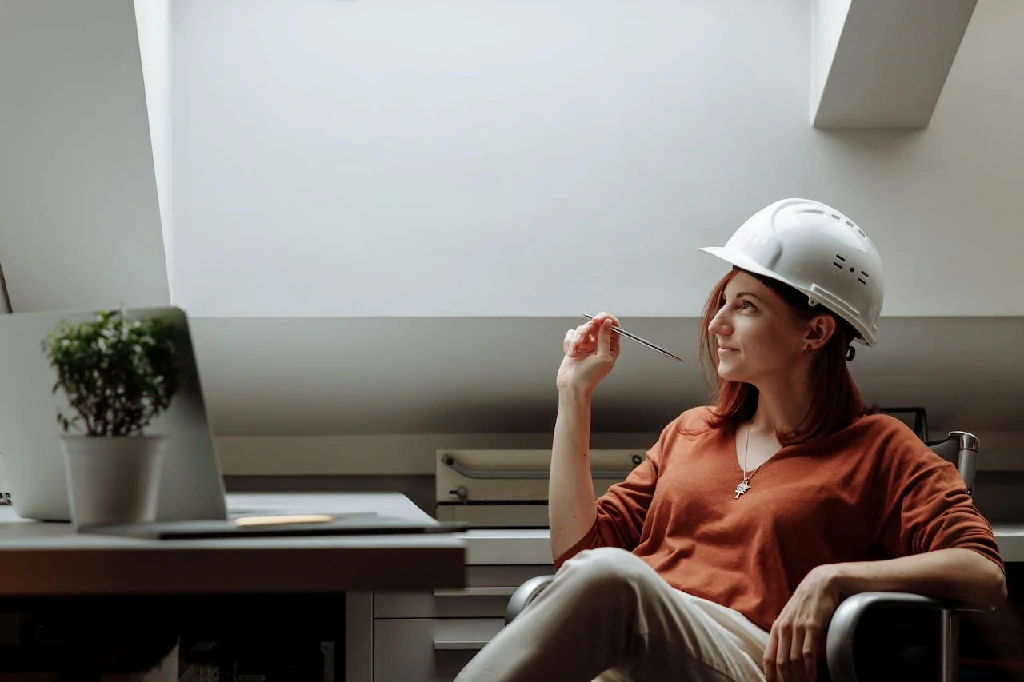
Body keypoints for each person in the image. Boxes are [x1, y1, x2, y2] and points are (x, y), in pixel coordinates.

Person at [454, 198, 1007, 682]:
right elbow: (578, 555)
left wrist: (834, 578)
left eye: (746, 306)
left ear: (815, 331)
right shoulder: (691, 432)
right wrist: (573, 395)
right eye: (723, 301)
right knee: (602, 585)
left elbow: (983, 573)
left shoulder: (878, 449)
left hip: (750, 659)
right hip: (639, 648)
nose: (718, 324)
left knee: (613, 579)